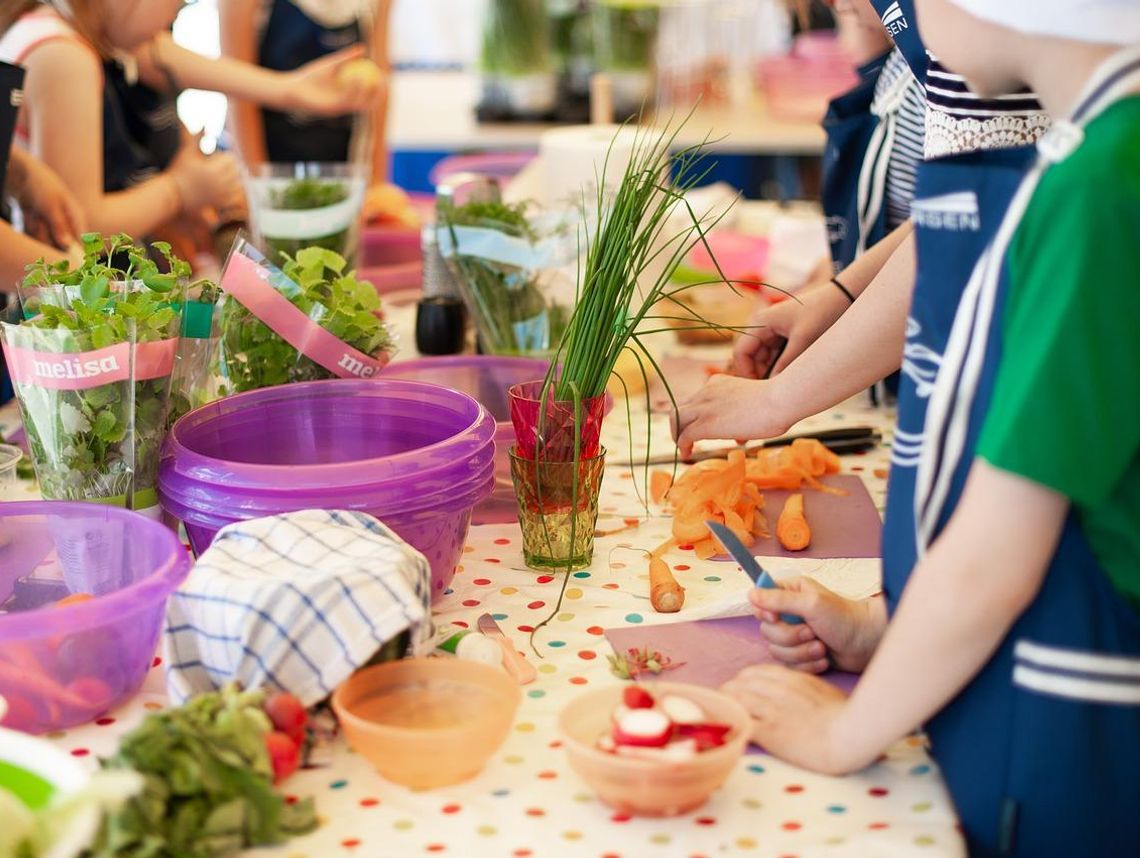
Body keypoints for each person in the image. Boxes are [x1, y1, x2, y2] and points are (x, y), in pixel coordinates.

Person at [716, 2, 1140, 854]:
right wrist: (883, 630)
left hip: (1074, 739)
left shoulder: (1103, 188)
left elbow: (1000, 556)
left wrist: (845, 734)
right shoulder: (1092, 150)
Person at [219, 0, 391, 186]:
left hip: (340, 164)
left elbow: (378, 85)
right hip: (264, 159)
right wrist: (257, 188)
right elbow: (238, 95)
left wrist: (376, 183)